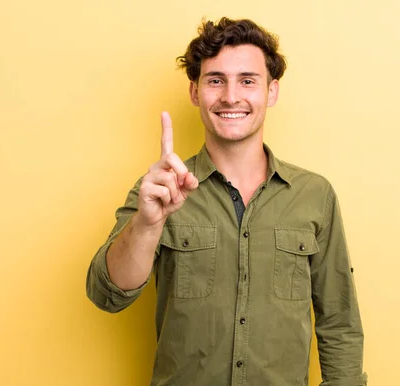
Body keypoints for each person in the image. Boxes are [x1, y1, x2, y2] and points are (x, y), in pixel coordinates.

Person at [86, 17, 367, 386]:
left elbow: (339, 322)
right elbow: (107, 294)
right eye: (215, 80)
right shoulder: (159, 189)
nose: (230, 96)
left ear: (272, 92)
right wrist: (146, 224)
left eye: (247, 81)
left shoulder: (315, 195)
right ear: (194, 91)